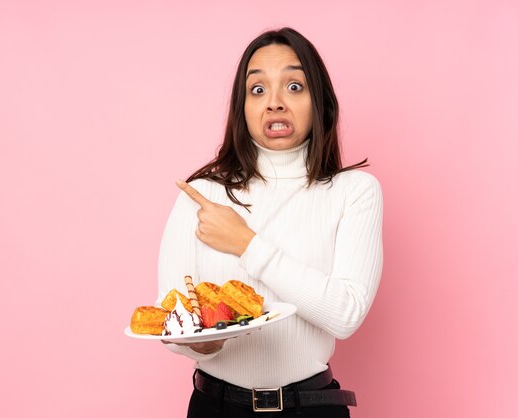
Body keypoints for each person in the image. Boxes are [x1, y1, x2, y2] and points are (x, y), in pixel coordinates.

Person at [156, 27, 383, 417]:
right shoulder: (202, 195)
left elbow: (346, 314)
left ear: (321, 102)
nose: (275, 103)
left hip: (312, 407)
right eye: (258, 90)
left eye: (294, 86)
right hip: (217, 406)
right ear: (241, 107)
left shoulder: (355, 192)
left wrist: (246, 243)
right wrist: (197, 343)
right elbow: (172, 318)